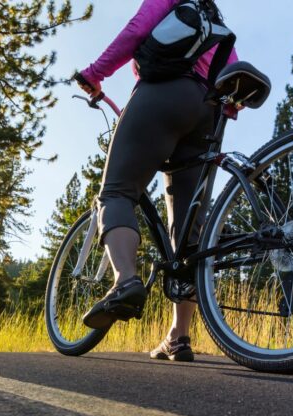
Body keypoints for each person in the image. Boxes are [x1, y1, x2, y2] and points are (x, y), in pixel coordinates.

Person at [76, 0, 239, 363]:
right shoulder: (214, 20)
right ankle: (179, 336)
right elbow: (231, 78)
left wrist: (94, 73)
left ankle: (125, 281)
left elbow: (136, 30)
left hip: (162, 93)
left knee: (117, 192)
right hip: (207, 115)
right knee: (188, 235)